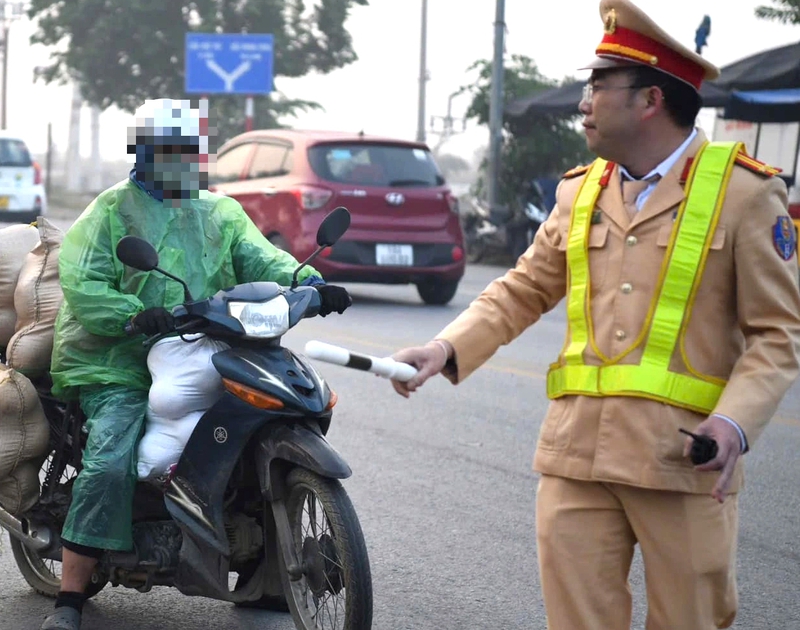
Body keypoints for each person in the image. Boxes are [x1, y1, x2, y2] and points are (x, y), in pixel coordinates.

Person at [386, 1, 800, 629]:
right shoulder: (581, 190)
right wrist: (445, 348)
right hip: (576, 456)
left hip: (682, 460)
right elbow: (524, 288)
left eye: (598, 85)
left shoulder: (745, 194)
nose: (584, 102)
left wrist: (734, 426)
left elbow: (777, 333)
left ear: (650, 100)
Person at [40, 98, 352, 630]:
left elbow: (264, 260)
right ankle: (70, 597)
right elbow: (82, 282)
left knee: (263, 415)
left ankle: (259, 558)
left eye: (189, 150)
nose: (182, 160)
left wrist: (311, 284)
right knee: (112, 455)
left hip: (200, 348)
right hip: (117, 358)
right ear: (145, 153)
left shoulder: (220, 212)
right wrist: (136, 316)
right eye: (170, 150)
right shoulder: (112, 211)